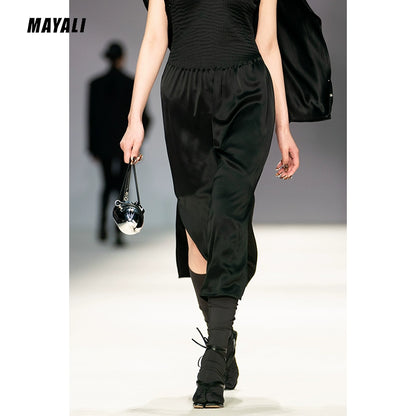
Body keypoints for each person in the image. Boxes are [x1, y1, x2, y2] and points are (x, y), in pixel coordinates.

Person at [119, 0, 327, 409]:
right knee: (198, 227)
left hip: (247, 93)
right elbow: (155, 38)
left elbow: (268, 44)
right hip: (185, 99)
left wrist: (283, 128)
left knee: (229, 211)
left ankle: (214, 358)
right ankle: (223, 334)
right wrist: (134, 117)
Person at [88, 41, 151, 246]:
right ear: (122, 58)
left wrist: (93, 148)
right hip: (127, 145)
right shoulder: (131, 83)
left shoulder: (95, 84)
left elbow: (92, 119)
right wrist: (137, 142)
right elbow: (145, 117)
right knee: (123, 188)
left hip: (104, 145)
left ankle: (102, 229)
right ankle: (119, 232)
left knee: (107, 185)